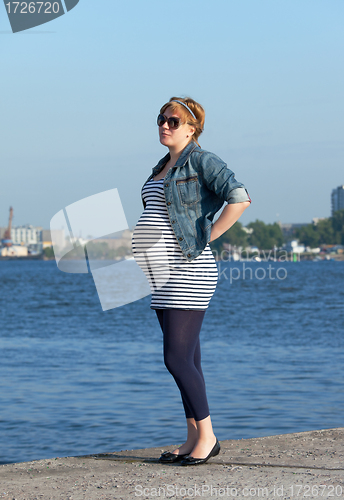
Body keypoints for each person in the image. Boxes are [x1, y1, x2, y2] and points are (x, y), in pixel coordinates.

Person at [132, 97, 251, 466]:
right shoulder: (161, 166)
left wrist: (208, 236)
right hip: (160, 273)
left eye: (173, 120)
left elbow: (239, 197)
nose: (164, 125)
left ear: (191, 127)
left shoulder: (202, 160)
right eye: (161, 119)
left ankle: (209, 436)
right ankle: (193, 436)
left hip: (189, 270)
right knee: (189, 359)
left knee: (176, 358)